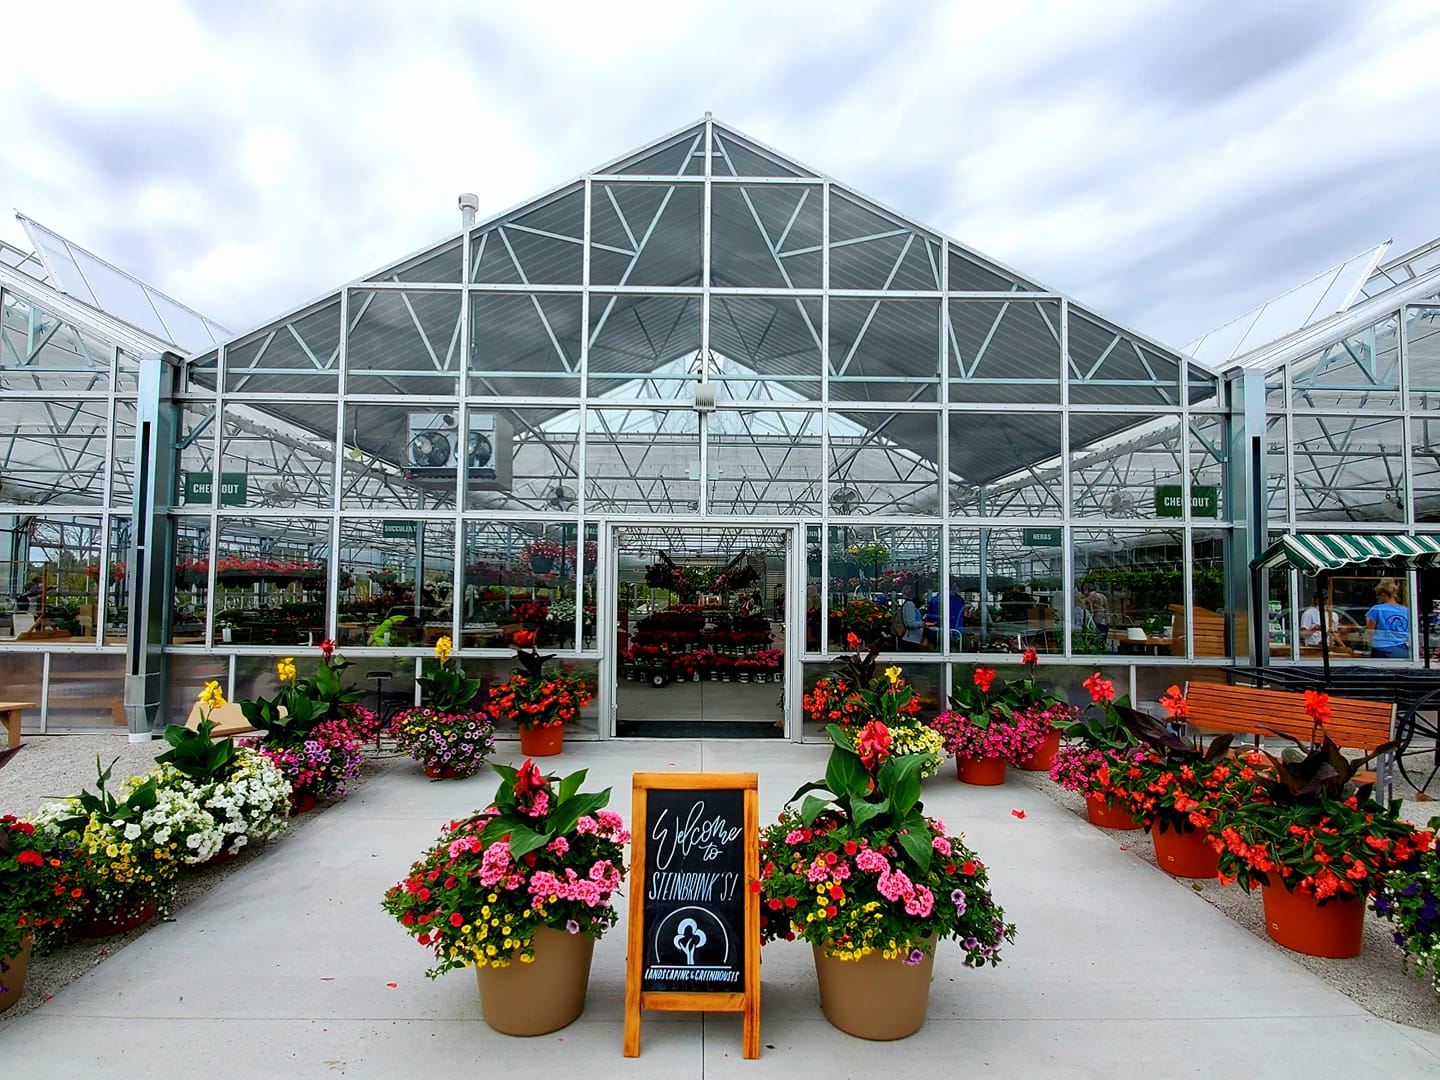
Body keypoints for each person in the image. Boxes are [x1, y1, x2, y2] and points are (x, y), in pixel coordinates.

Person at [1366, 579, 1410, 659]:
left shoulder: (1377, 609)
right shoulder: (1406, 611)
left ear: (1383, 594)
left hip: (1381, 648)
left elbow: (1370, 631)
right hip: (1402, 648)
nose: (1377, 598)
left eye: (1377, 595)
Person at [898, 587, 925, 651]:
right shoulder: (910, 605)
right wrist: (924, 624)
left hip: (915, 639)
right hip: (911, 640)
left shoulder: (913, 605)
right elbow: (910, 623)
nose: (923, 598)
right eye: (922, 595)